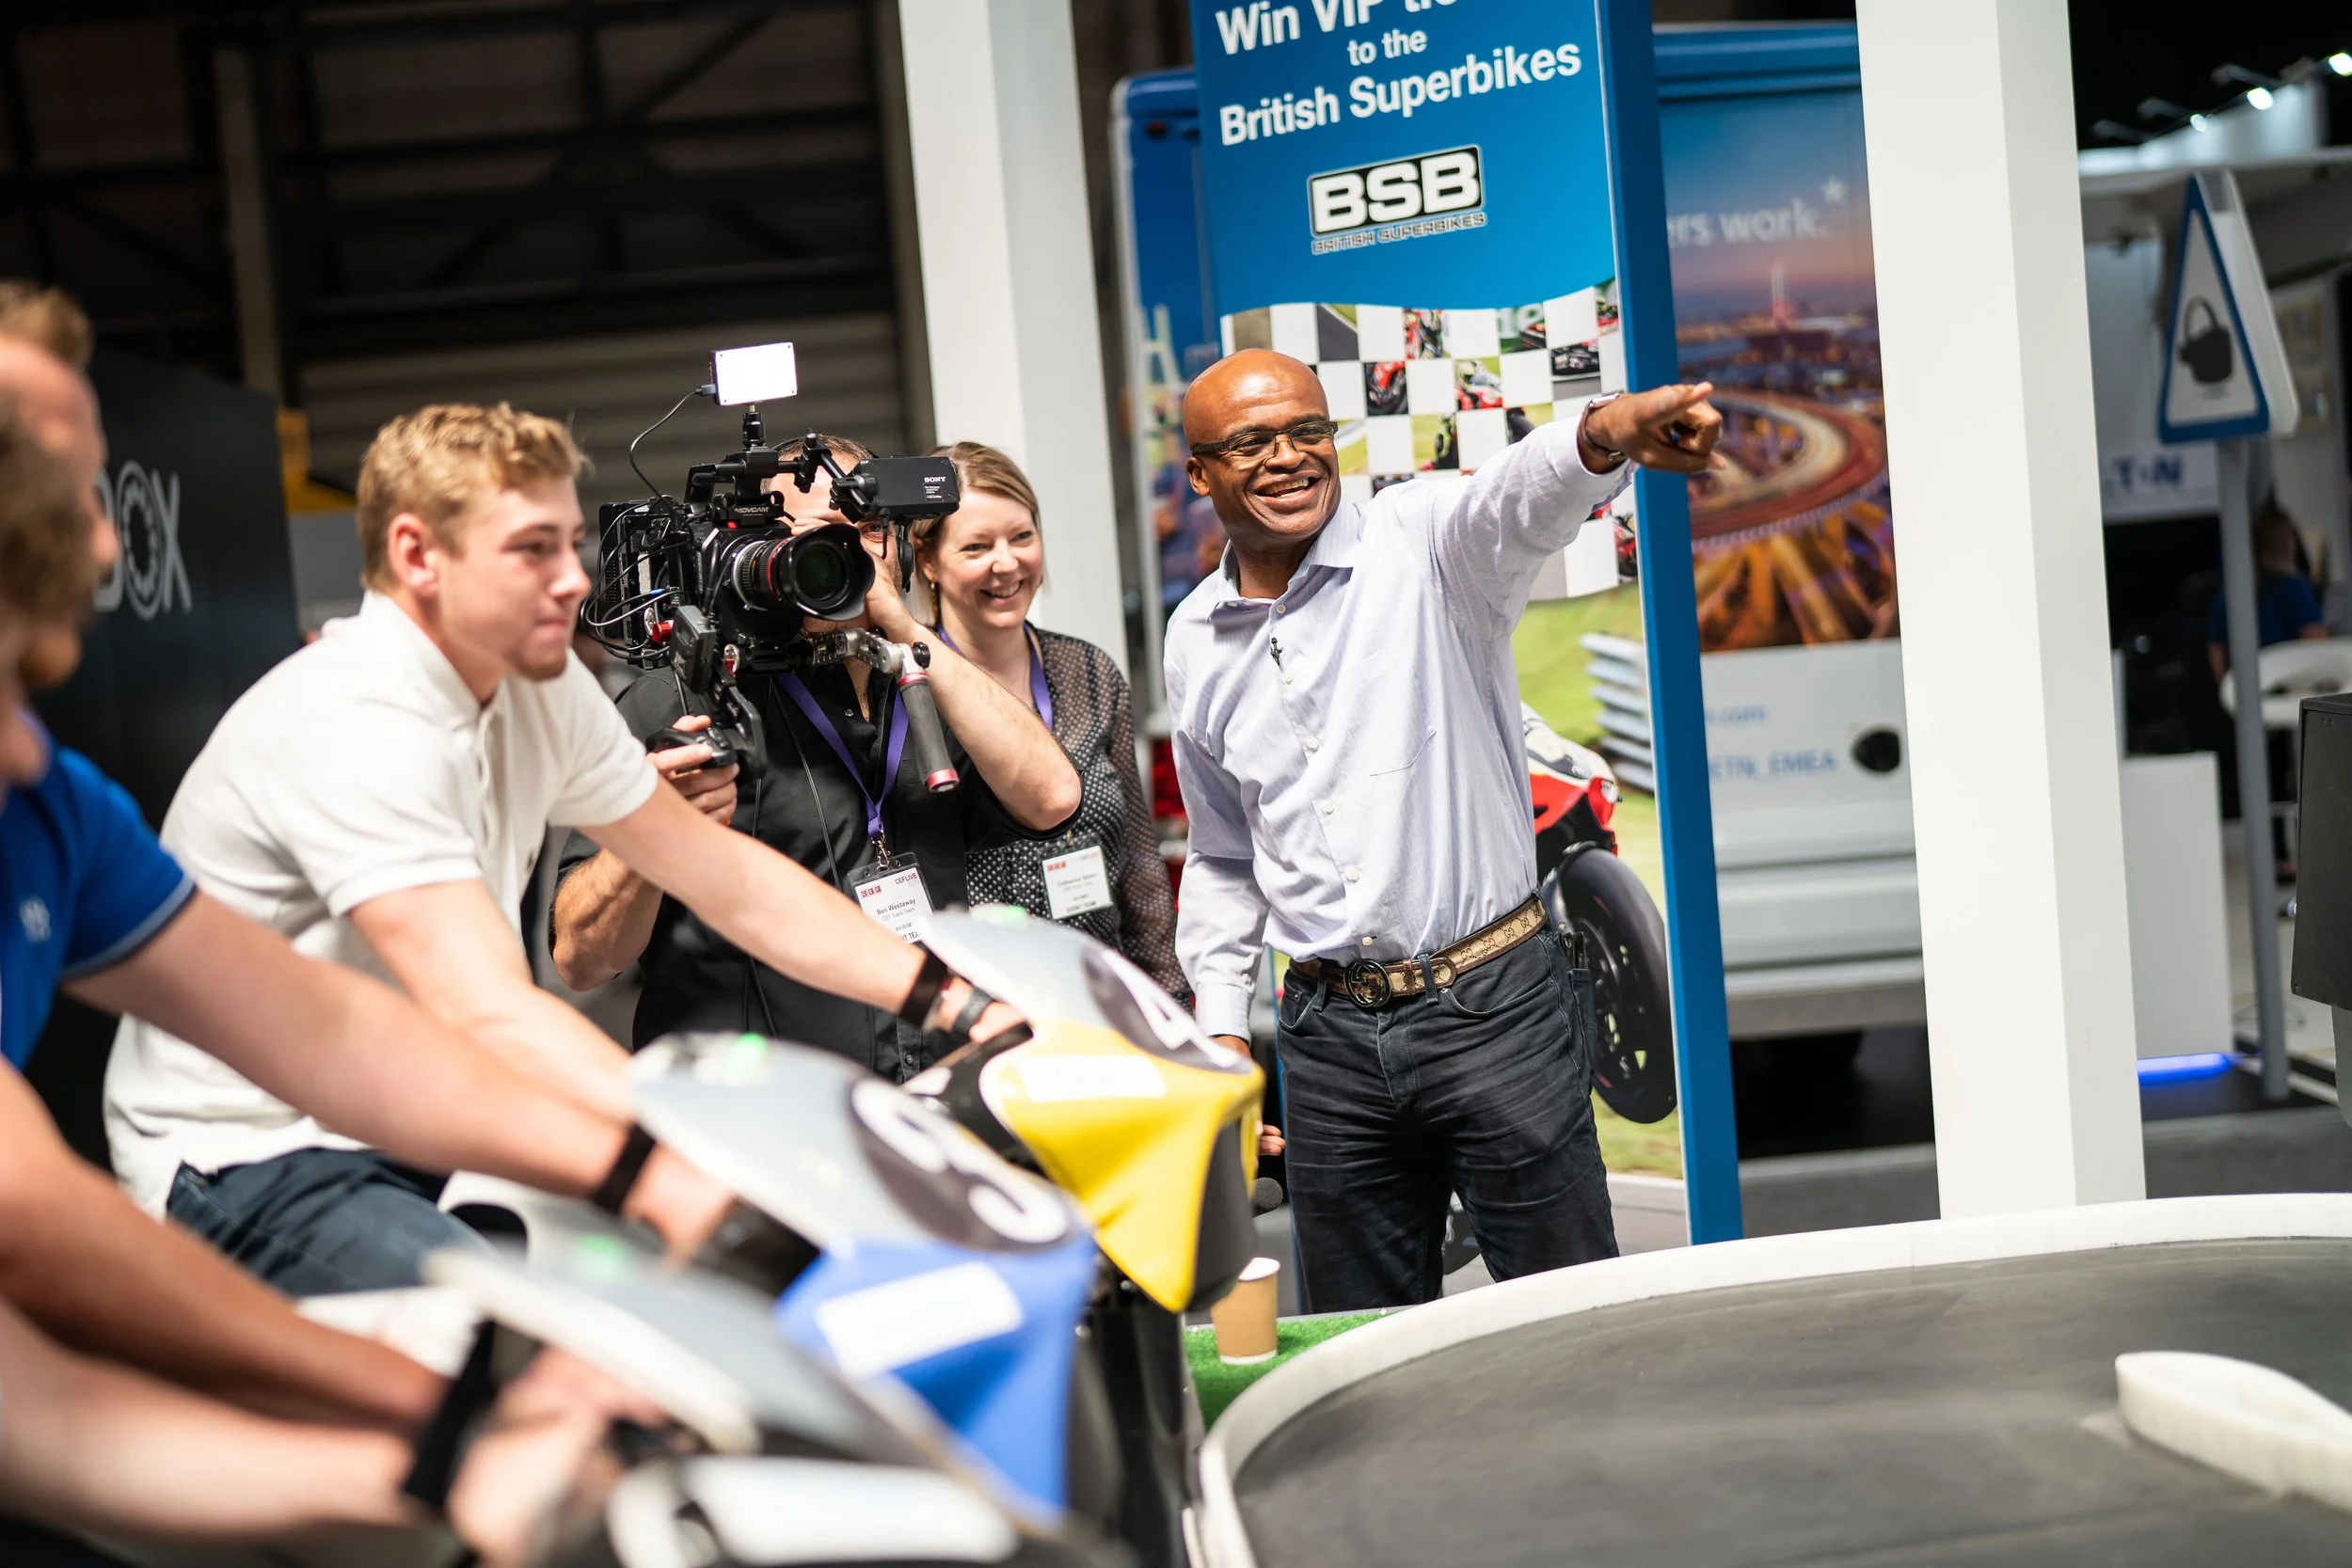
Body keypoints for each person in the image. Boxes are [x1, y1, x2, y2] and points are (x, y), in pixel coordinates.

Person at [106, 404, 1024, 1294]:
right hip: (252, 1147)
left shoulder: (533, 685)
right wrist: (683, 1153)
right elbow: (489, 1009)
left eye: (570, 541)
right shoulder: (355, 720)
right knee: (532, 1349)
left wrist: (953, 1001)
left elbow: (730, 877)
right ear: (417, 555)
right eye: (530, 549)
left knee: (641, 1319)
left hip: (420, 1118)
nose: (574, 579)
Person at [0, 404, 631, 1568]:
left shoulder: (52, 807)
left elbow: (323, 1029)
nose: (33, 748)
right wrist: (449, 1412)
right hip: (253, 1171)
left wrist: (437, 1446)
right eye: (1, 689)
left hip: (379, 1155)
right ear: (416, 554)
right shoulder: (344, 718)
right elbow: (35, 1220)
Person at [1166, 348, 1722, 1311]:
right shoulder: (1195, 638)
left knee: (1570, 1320)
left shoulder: (1420, 543)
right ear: (1201, 472)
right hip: (1326, 1040)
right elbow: (1223, 855)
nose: (1289, 458)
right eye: (1252, 442)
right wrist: (1221, 1029)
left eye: (1307, 430)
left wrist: (1605, 435)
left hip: (1494, 1006)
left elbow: (1515, 497)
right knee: (1358, 1342)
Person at [550, 434, 1081, 1076]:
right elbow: (582, 959)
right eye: (809, 535)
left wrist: (908, 632)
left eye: (863, 528)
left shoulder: (925, 678)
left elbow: (1052, 799)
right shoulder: (677, 699)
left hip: (932, 1085)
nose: (836, 553)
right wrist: (653, 833)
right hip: (767, 1110)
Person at [911, 441, 1187, 1000]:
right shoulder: (905, 693)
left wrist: (1173, 1000)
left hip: (1102, 1000)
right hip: (982, 1017)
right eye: (976, 546)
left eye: (1021, 536)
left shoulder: (1088, 670)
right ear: (928, 562)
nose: (1007, 563)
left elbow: (1136, 859)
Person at [2207, 506, 2327, 680]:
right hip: (2290, 685)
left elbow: (2216, 651)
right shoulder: (2294, 588)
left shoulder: (2230, 594)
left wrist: (2230, 692)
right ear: (2289, 542)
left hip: (2247, 688)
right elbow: (2317, 646)